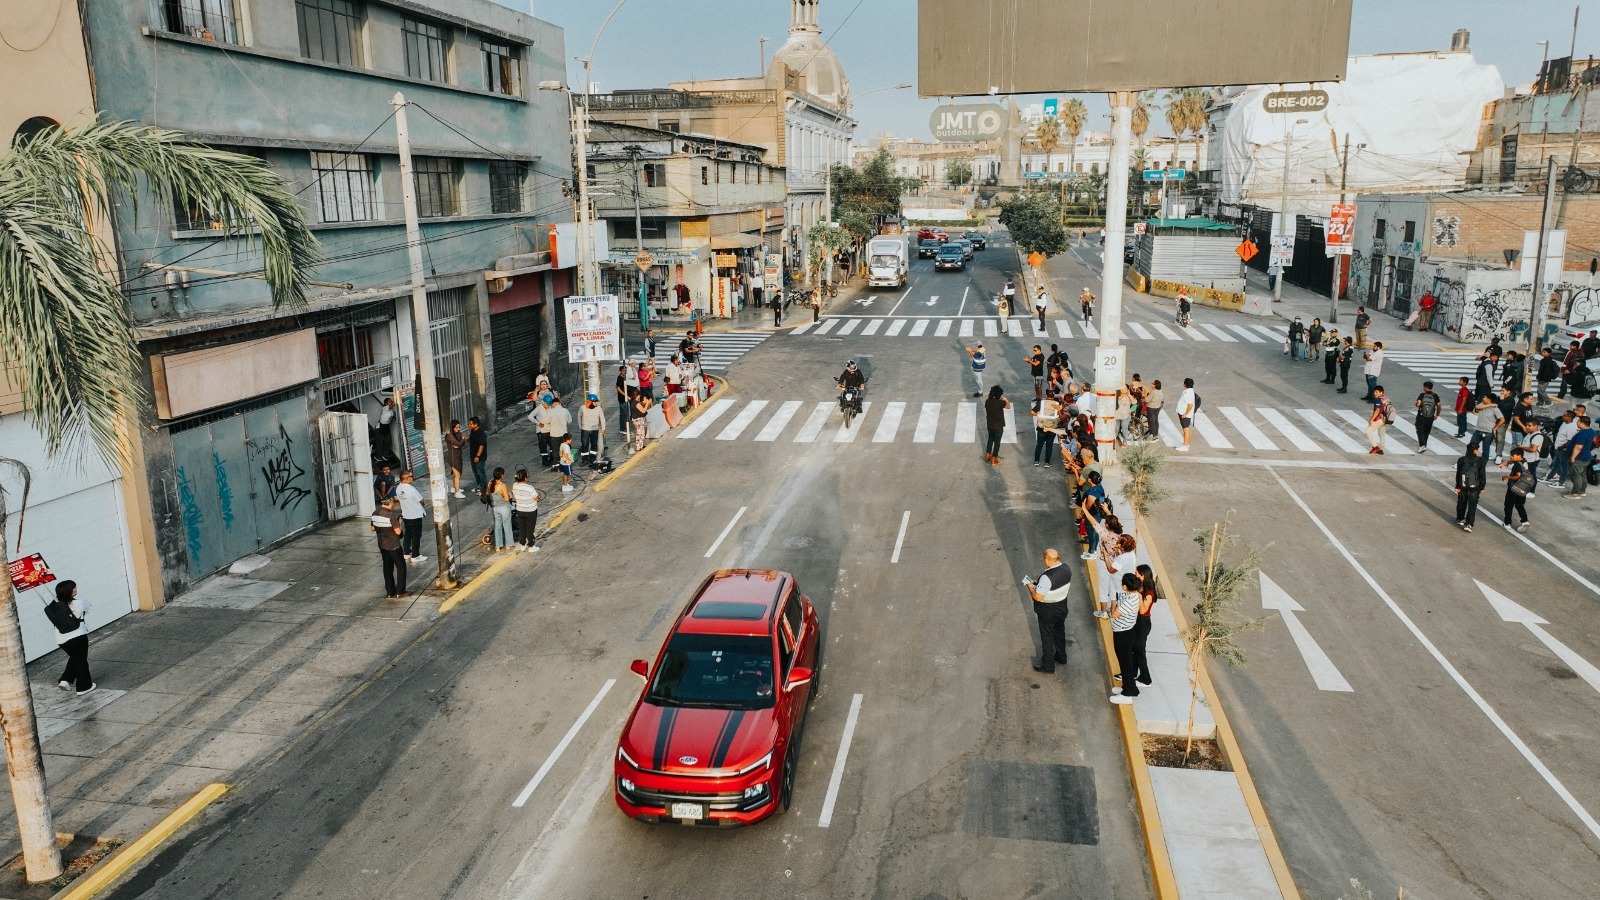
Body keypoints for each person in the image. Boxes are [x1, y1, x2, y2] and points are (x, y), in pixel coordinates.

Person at [1023, 549, 1072, 674]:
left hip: (1048, 611)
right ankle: (1061, 656)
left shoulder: (1047, 577)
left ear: (1047, 560)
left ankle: (1048, 665)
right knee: (1059, 631)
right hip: (1062, 606)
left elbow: (1038, 597)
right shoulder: (1066, 568)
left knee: (1047, 637)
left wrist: (1030, 587)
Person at [50, 581, 94, 696]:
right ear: (68, 591)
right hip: (78, 636)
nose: (76, 589)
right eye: (73, 588)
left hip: (61, 640)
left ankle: (65, 680)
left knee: (76, 657)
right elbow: (89, 609)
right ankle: (84, 687)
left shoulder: (54, 606)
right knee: (81, 661)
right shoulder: (80, 602)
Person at [1108, 573, 1143, 705]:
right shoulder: (1132, 595)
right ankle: (1127, 687)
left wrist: (1113, 607)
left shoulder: (1130, 601)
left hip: (1123, 634)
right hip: (1124, 631)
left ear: (1124, 586)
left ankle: (1128, 694)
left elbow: (1114, 614)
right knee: (1124, 662)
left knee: (1125, 662)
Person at [372, 496, 407, 597]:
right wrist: (399, 523)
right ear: (390, 503)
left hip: (382, 545)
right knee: (401, 566)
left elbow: (372, 528)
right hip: (393, 545)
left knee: (387, 567)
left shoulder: (375, 513)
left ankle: (390, 591)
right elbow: (398, 532)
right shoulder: (390, 515)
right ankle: (400, 591)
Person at [394, 471, 428, 562]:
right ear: (406, 478)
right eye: (411, 476)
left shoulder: (398, 488)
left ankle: (406, 552)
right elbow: (422, 501)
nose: (412, 478)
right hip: (415, 515)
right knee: (416, 536)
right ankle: (415, 555)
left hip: (406, 514)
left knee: (408, 534)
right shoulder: (411, 489)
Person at [1455, 445, 1487, 531]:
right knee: (1472, 504)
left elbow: (1458, 474)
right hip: (1475, 486)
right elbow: (1482, 474)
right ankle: (1469, 523)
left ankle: (1460, 518)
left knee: (1462, 501)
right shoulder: (1480, 460)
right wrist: (1482, 486)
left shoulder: (1461, 460)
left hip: (1463, 485)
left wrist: (1457, 485)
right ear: (1475, 451)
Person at [1501, 446, 1532, 532]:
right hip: (1523, 488)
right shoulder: (1524, 462)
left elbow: (1517, 476)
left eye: (1513, 456)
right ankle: (1525, 521)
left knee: (1508, 505)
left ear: (1519, 456)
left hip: (1514, 488)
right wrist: (1507, 462)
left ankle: (1507, 523)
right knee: (1520, 505)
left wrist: (1507, 477)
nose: (1511, 457)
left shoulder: (1517, 465)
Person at [1564, 415, 1595, 500]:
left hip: (1579, 458)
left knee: (1576, 475)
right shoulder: (1590, 431)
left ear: (1582, 423)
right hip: (1586, 457)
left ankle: (1575, 493)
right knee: (1582, 475)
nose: (1576, 423)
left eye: (1578, 421)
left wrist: (1573, 457)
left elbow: (1578, 447)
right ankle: (1582, 491)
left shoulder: (1582, 433)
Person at [511, 469, 541, 553]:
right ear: (525, 478)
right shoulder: (529, 488)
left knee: (522, 527)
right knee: (530, 528)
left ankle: (523, 544)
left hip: (520, 510)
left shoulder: (514, 485)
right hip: (530, 510)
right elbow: (536, 498)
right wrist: (538, 497)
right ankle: (531, 545)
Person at [486, 466, 514, 551]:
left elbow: (487, 493)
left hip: (495, 507)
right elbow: (507, 499)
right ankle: (508, 544)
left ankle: (498, 546)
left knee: (497, 526)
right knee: (507, 525)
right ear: (502, 475)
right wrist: (510, 494)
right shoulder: (502, 485)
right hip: (504, 507)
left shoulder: (490, 482)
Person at [1032, 394, 1061, 467]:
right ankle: (1047, 463)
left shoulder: (1041, 403)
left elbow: (1032, 412)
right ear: (1053, 396)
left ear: (1046, 396)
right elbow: (1060, 414)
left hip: (1042, 427)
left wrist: (1038, 414)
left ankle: (1036, 461)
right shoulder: (1057, 404)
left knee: (1039, 445)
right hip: (1052, 428)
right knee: (1049, 445)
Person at [983, 385, 1010, 465]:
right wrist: (1006, 400)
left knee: (990, 439)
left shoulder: (987, 401)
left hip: (990, 425)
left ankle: (987, 455)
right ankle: (994, 458)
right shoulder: (1000, 403)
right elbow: (1008, 407)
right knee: (997, 442)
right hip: (998, 426)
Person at [1414, 381, 1441, 453]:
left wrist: (1416, 403)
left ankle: (1422, 445)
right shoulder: (1435, 396)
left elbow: (1418, 404)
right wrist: (1437, 414)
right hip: (1430, 417)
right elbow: (1439, 406)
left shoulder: (1422, 395)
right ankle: (1424, 444)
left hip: (1421, 416)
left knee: (1419, 430)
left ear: (1425, 387)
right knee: (1427, 431)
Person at [444, 420, 467, 499]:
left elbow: (459, 444)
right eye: (456, 427)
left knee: (456, 473)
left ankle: (454, 488)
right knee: (457, 475)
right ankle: (457, 492)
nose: (458, 429)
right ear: (452, 427)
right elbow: (459, 443)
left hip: (458, 455)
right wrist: (462, 440)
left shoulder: (456, 433)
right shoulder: (449, 435)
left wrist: (461, 441)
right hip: (453, 457)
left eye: (458, 427)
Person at [1366, 385, 1392, 454]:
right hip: (1385, 419)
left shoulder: (1378, 400)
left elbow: (1377, 410)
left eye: (1376, 392)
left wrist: (1371, 419)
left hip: (1379, 419)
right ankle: (1381, 449)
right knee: (1381, 434)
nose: (1375, 393)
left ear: (1381, 392)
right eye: (1374, 392)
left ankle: (1376, 447)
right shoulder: (1386, 398)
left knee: (1368, 432)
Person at [579, 394, 604, 464]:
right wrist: (580, 426)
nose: (596, 403)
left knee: (594, 444)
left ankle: (592, 458)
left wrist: (603, 428)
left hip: (595, 429)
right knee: (584, 445)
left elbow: (602, 419)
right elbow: (579, 417)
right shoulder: (583, 408)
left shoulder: (598, 409)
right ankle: (585, 459)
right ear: (590, 401)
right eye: (595, 402)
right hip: (585, 430)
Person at [1176, 377, 1197, 452]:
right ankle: (1186, 443)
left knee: (1186, 429)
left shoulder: (1188, 393)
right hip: (1183, 413)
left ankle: (1185, 446)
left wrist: (1185, 414)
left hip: (1185, 415)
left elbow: (1190, 405)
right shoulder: (1188, 391)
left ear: (1185, 384)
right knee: (1184, 429)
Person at [467, 417, 488, 492]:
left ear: (476, 424)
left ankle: (483, 487)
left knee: (480, 472)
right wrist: (466, 440)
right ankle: (479, 485)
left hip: (479, 457)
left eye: (471, 424)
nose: (469, 425)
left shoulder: (481, 433)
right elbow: (471, 439)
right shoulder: (473, 431)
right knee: (475, 472)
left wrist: (477, 456)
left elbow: (481, 446)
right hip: (473, 456)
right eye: (469, 424)